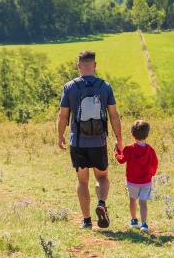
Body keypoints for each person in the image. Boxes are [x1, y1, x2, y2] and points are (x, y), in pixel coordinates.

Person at [57, 50, 123, 229]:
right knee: (102, 177)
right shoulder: (105, 86)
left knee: (82, 181)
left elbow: (63, 116)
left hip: (77, 142)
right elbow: (114, 115)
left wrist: (60, 135)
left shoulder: (69, 87)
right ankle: (101, 203)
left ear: (78, 66)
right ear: (95, 65)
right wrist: (119, 139)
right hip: (99, 142)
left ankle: (86, 221)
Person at [114, 120, 159, 232]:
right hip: (146, 182)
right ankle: (144, 224)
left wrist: (116, 151)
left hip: (132, 181)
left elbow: (121, 160)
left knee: (132, 200)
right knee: (143, 202)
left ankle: (134, 220)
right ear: (147, 135)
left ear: (132, 134)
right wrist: (151, 173)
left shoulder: (129, 149)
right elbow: (155, 163)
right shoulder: (150, 150)